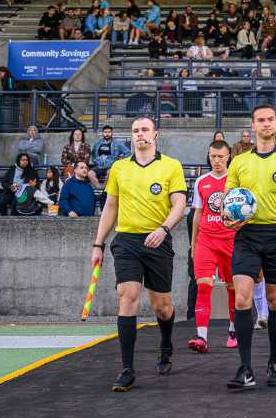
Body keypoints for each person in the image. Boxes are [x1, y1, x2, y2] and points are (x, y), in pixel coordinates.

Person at [89, 116, 186, 391]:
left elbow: (179, 203)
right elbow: (110, 207)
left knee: (162, 307)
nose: (140, 134)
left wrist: (164, 229)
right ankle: (127, 369)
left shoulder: (171, 166)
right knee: (127, 297)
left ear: (155, 134)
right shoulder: (119, 168)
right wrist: (98, 244)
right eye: (135, 131)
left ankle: (166, 345)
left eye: (145, 129)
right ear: (131, 136)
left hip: (158, 241)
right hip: (127, 241)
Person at [221, 104, 276, 390]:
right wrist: (228, 219)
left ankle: (273, 362)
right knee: (242, 300)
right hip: (247, 235)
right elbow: (228, 202)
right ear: (253, 125)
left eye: (270, 119)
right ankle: (245, 368)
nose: (266, 124)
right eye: (261, 120)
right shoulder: (239, 163)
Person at [188, 140, 239, 352]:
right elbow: (198, 214)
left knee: (233, 289)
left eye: (220, 156)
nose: (216, 161)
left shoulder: (235, 182)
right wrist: (194, 243)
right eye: (213, 157)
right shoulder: (201, 181)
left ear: (228, 156)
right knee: (204, 285)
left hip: (230, 241)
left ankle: (233, 329)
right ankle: (202, 337)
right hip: (206, 241)